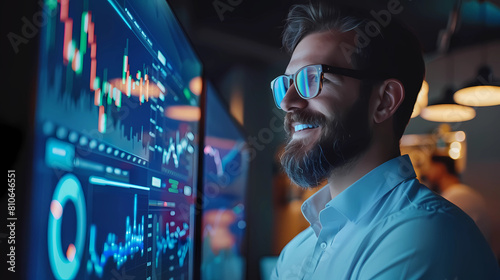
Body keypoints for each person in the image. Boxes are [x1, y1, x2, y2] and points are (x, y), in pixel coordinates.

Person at [269, 2, 500, 279]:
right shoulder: (297, 250)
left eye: (312, 78)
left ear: (384, 101)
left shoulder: (424, 233)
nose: (287, 102)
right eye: (287, 83)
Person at [424, 155, 491, 239]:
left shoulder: (455, 197)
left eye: (430, 167)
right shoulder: (467, 193)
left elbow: (438, 232)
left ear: (440, 167)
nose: (427, 172)